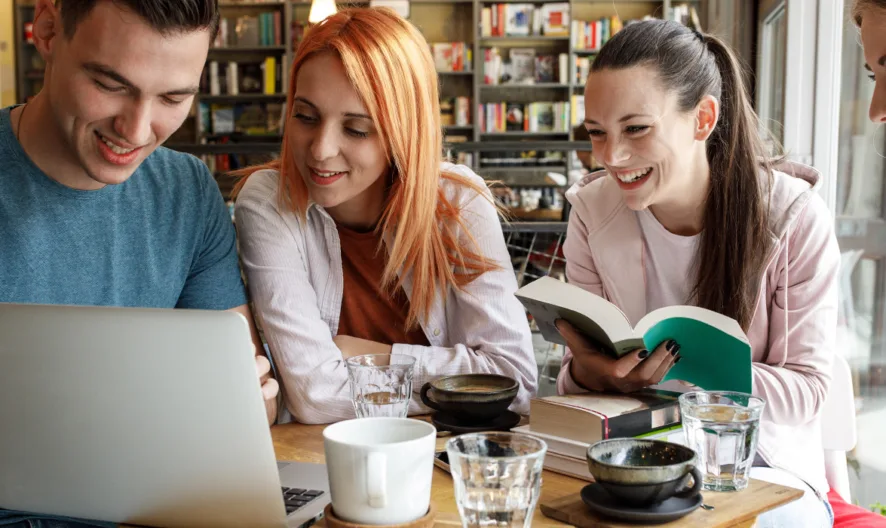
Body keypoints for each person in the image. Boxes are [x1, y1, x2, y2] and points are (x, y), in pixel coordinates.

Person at [556, 20, 839, 526]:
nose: (611, 157)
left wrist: (695, 378)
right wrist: (587, 372)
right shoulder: (591, 211)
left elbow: (808, 393)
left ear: (702, 118)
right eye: (597, 133)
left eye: (636, 128)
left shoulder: (793, 217)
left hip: (760, 467)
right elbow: (576, 380)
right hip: (636, 460)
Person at [234, 8, 537, 425]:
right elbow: (314, 396)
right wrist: (456, 384)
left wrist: (362, 354)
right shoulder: (269, 202)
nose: (320, 149)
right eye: (305, 116)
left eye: (356, 129)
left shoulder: (458, 200)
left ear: (404, 131)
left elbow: (513, 380)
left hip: (443, 458)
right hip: (319, 459)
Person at [0, 0, 278, 423]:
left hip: (159, 486)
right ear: (48, 30)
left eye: (171, 97)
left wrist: (243, 402)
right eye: (111, 85)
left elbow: (253, 403)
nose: (136, 131)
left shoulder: (188, 193)